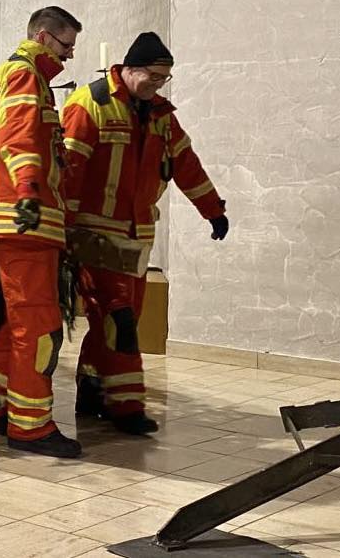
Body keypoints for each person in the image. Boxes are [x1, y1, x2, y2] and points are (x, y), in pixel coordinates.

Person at [62, 32, 228, 435]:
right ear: (130, 69)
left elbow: (187, 164)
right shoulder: (91, 104)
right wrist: (61, 228)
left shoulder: (160, 115)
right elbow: (68, 170)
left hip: (137, 236)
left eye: (164, 79)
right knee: (120, 318)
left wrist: (213, 210)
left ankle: (92, 388)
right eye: (153, 76)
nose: (158, 85)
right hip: (96, 234)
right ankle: (126, 406)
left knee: (117, 318)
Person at [0, 6, 85, 459]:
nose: (70, 55)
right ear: (43, 35)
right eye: (66, 44)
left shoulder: (29, 77)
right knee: (40, 328)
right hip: (24, 220)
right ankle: (31, 427)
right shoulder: (23, 75)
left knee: (24, 320)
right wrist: (30, 190)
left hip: (24, 220)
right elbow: (18, 138)